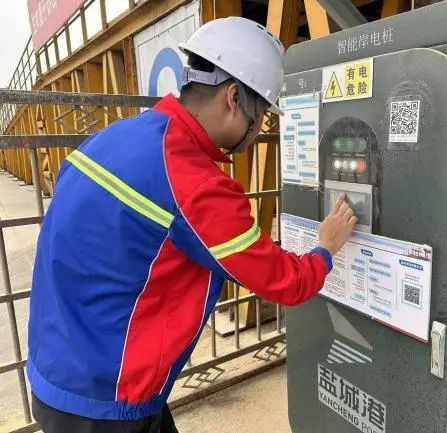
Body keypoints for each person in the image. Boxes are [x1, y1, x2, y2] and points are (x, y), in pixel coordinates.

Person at [27, 17, 357, 433]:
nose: (258, 131)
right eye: (261, 116)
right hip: (107, 401)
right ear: (234, 97)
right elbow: (284, 282)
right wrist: (325, 248)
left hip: (55, 373)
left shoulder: (113, 138)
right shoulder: (194, 181)